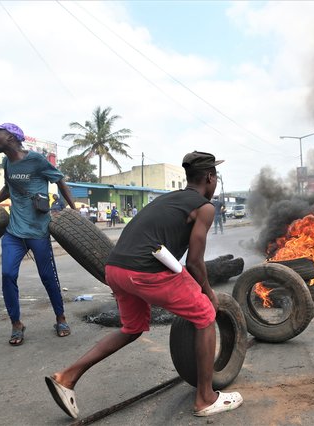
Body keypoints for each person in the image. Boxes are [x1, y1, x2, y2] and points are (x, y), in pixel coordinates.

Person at [45, 151, 243, 419]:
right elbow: (195, 262)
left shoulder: (167, 199)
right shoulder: (204, 207)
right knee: (206, 315)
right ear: (210, 177)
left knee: (132, 328)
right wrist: (208, 292)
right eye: (215, 177)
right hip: (144, 270)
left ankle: (67, 377)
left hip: (115, 268)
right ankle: (206, 398)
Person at [0, 122, 76, 346]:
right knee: (7, 275)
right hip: (14, 232)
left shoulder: (36, 160)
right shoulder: (6, 162)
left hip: (38, 231)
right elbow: (9, 187)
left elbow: (59, 180)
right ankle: (16, 324)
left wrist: (74, 210)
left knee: (48, 277)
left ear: (11, 137)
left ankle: (60, 318)